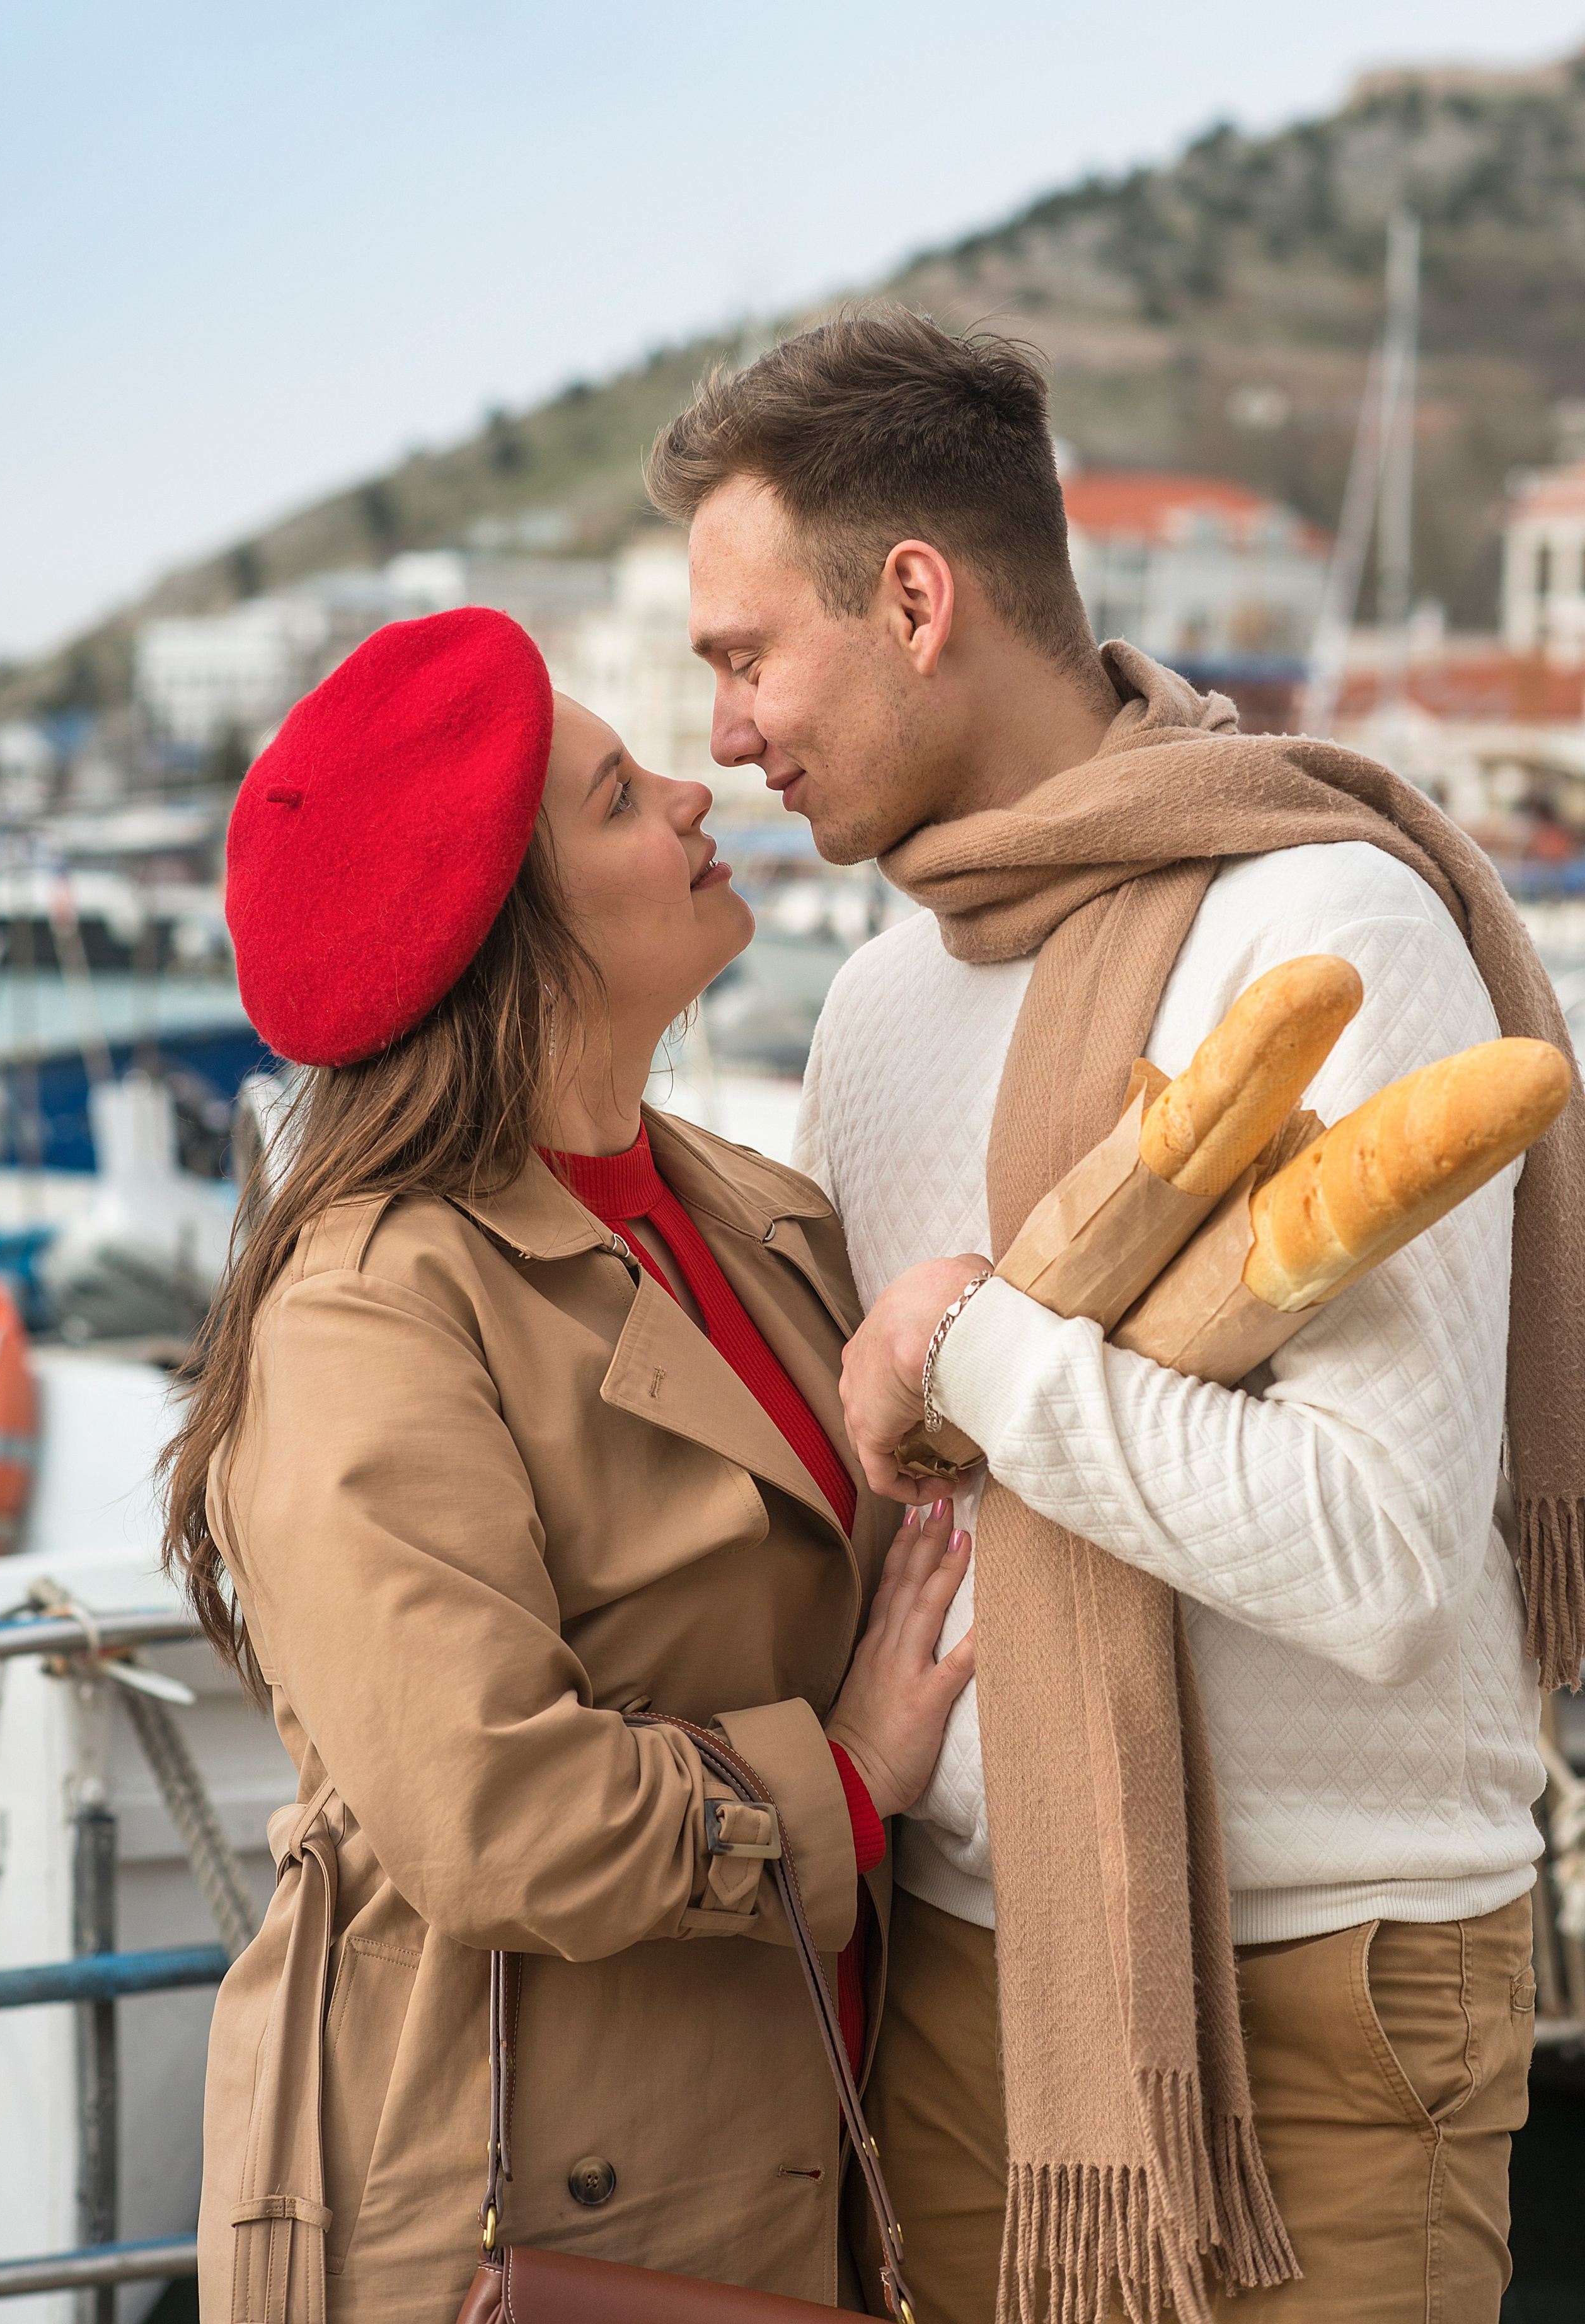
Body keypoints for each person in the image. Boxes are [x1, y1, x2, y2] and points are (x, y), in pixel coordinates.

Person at [649, 311, 1585, 2324]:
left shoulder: (1322, 927)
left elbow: (1386, 1559)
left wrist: (976, 1352)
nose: (721, 730)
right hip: (978, 1991)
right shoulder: (880, 1007)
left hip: (1328, 2000)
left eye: (742, 655)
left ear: (914, 600)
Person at [162, 607, 976, 2323]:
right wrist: (845, 1780)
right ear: (507, 940)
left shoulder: (751, 1217)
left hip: (785, 2150)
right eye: (618, 798)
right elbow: (491, 1807)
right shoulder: (368, 1310)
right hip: (510, 2213)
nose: (695, 792)